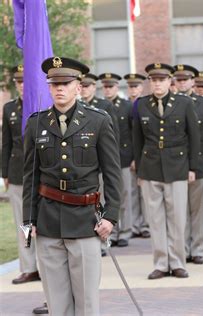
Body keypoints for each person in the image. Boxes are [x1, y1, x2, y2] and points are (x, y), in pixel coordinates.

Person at [23, 57, 121, 315]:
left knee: (87, 301)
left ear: (79, 86)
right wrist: (28, 221)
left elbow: (112, 174)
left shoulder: (98, 121)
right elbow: (30, 178)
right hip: (48, 220)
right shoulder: (37, 123)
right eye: (54, 83)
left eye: (65, 83)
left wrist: (110, 216)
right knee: (56, 301)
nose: (59, 88)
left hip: (85, 220)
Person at [133, 62, 200, 279]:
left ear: (170, 81)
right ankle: (161, 263)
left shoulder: (184, 103)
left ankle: (178, 261)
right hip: (151, 167)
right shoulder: (142, 105)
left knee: (177, 218)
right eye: (153, 80)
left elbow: (194, 137)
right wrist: (140, 171)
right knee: (156, 219)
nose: (157, 84)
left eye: (161, 80)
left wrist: (193, 167)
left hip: (177, 166)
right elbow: (138, 140)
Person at [173, 64, 203, 264]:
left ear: (192, 81)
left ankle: (198, 248)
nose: (182, 83)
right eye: (179, 80)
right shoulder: (170, 103)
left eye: (186, 80)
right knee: (179, 212)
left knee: (198, 209)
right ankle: (182, 248)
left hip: (199, 163)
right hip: (176, 165)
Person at [2, 65, 40, 284]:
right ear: (16, 84)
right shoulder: (9, 109)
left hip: (40, 171)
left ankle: (44, 266)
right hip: (17, 173)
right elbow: (5, 143)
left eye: (26, 80)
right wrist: (4, 172)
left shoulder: (42, 105)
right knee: (22, 223)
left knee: (41, 222)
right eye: (19, 81)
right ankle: (28, 266)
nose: (23, 85)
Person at [98, 73, 134, 247]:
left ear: (117, 87)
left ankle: (125, 231)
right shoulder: (98, 106)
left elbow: (130, 133)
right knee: (105, 197)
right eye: (105, 86)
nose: (108, 89)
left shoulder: (126, 106)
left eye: (110, 86)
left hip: (123, 157)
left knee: (124, 195)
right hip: (103, 160)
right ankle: (110, 232)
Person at [123, 73, 151, 239]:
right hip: (129, 154)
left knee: (144, 193)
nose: (133, 89)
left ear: (141, 87)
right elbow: (129, 134)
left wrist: (139, 156)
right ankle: (134, 224)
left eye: (136, 86)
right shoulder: (126, 105)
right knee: (132, 192)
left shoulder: (145, 104)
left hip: (144, 155)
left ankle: (146, 224)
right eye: (130, 86)